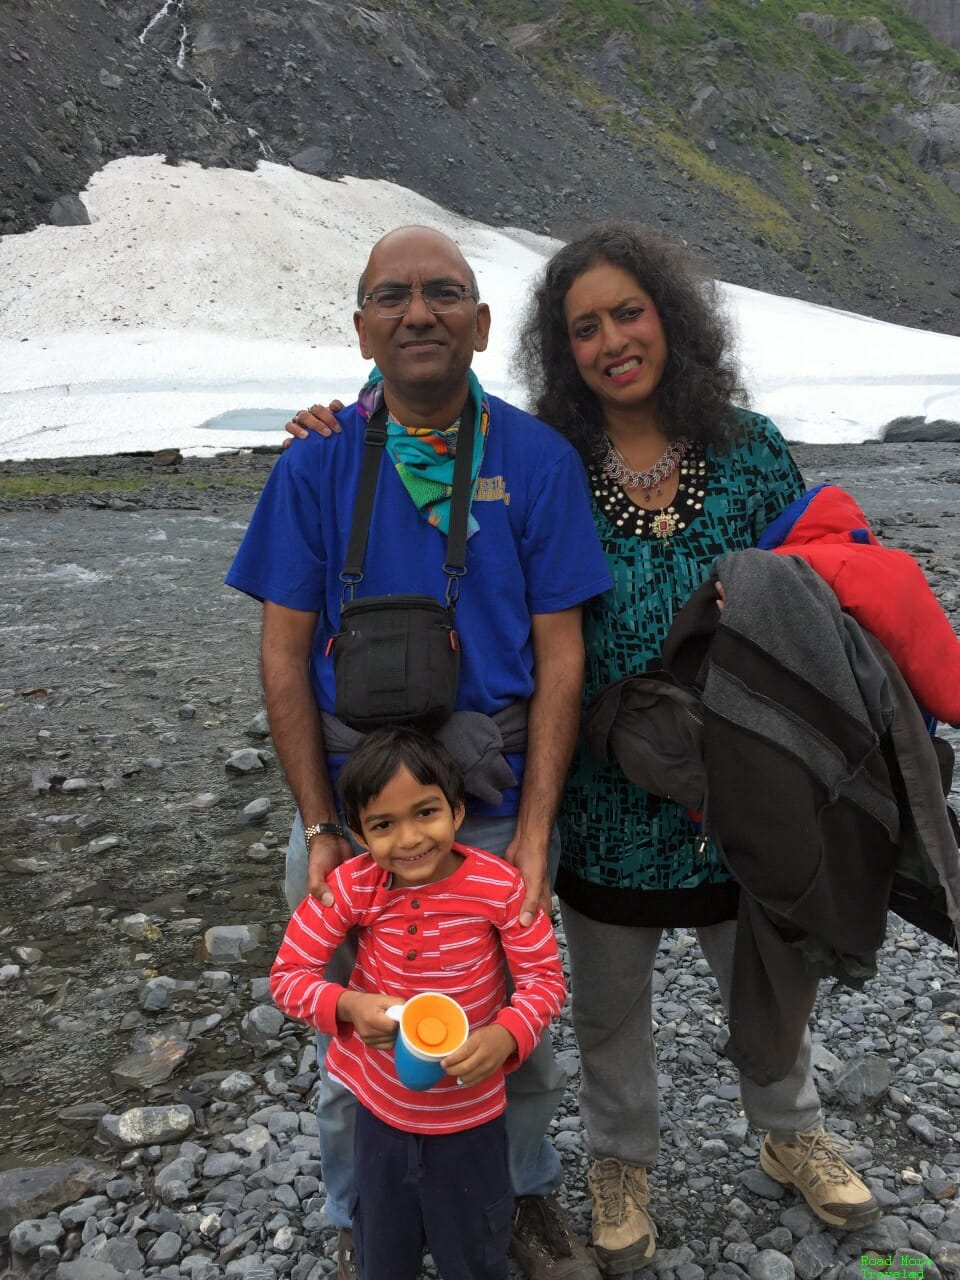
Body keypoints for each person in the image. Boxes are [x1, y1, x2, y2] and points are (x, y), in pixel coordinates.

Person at [290, 224, 881, 1277]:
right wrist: (345, 417)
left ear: (673, 317)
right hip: (603, 796)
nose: (612, 340)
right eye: (584, 327)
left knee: (770, 969)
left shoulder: (735, 449)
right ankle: (610, 1164)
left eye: (630, 312)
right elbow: (306, 626)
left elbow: (819, 577)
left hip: (739, 778)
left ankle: (790, 1127)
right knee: (599, 1005)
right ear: (559, 350)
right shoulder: (554, 456)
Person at [227, 224, 611, 1280]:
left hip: (485, 807)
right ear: (361, 326)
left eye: (444, 293)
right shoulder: (315, 463)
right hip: (355, 814)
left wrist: (535, 831)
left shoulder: (535, 460)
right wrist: (318, 826)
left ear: (482, 326)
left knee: (511, 1029)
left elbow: (561, 654)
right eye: (391, 296)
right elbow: (284, 650)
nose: (418, 311)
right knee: (351, 1039)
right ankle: (366, 1210)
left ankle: (523, 1193)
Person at [271, 727, 568, 1280]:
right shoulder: (353, 886)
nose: (409, 840)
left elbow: (545, 980)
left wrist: (506, 1034)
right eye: (383, 825)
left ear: (458, 812)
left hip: (473, 1114)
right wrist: (347, 1006)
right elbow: (288, 976)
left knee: (475, 1245)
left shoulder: (501, 887)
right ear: (358, 833)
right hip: (380, 1114)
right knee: (383, 1247)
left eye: (426, 813)